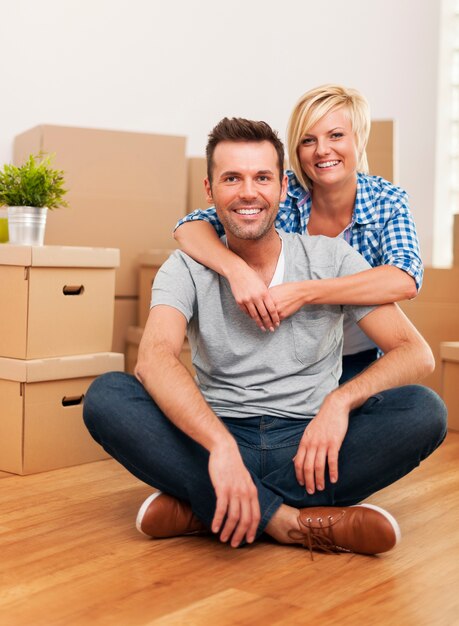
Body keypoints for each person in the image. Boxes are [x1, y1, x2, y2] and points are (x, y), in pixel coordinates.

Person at [83, 117, 446, 558]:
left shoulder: (330, 257)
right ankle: (289, 522)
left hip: (311, 444)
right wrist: (218, 446)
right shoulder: (186, 267)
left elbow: (415, 353)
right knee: (106, 395)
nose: (248, 192)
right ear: (210, 189)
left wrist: (338, 402)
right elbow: (154, 358)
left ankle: (207, 508)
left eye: (262, 178)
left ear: (282, 187)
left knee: (424, 409)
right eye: (232, 178)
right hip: (217, 434)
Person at [173, 85, 422, 383]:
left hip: (359, 359)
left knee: (417, 410)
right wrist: (237, 271)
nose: (322, 150)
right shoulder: (280, 191)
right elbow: (188, 228)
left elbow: (404, 279)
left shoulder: (387, 200)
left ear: (360, 138)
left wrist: (305, 292)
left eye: (336, 135)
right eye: (308, 140)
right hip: (296, 359)